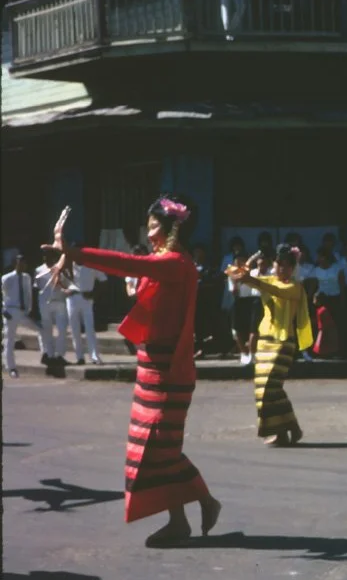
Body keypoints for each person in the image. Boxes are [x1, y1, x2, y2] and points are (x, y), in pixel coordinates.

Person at [42, 198, 221, 547]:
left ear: (172, 230)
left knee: (160, 447)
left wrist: (76, 252)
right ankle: (181, 519)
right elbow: (137, 275)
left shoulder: (175, 263)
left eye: (154, 226)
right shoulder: (162, 263)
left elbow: (127, 263)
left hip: (170, 369)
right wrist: (71, 257)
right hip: (150, 366)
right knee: (152, 448)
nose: (149, 233)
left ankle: (203, 502)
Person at [227, 244, 313, 447]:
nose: (282, 269)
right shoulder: (265, 280)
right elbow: (233, 273)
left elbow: (275, 289)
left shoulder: (295, 287)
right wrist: (246, 268)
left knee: (269, 388)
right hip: (265, 340)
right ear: (273, 264)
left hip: (284, 342)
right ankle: (282, 431)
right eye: (279, 264)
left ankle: (292, 426)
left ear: (293, 268)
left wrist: (252, 280)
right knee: (263, 389)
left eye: (286, 266)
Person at [2, 255, 41, 378]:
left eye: (23, 263)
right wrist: (3, 310)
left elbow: (28, 294)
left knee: (42, 329)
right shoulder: (6, 278)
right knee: (10, 339)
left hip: (23, 312)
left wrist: (29, 309)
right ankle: (11, 367)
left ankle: (47, 355)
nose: (21, 265)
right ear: (15, 264)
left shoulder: (26, 277)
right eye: (19, 263)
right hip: (10, 310)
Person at [65, 259, 107, 365]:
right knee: (75, 329)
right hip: (72, 297)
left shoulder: (91, 265)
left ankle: (94, 356)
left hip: (86, 298)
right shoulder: (67, 264)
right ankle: (80, 357)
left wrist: (94, 294)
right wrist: (64, 289)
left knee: (89, 328)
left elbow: (103, 280)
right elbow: (57, 277)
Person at [35, 249, 70, 368]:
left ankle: (59, 355)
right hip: (45, 303)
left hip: (59, 302)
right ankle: (48, 354)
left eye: (48, 256)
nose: (46, 258)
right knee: (46, 330)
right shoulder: (38, 270)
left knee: (62, 329)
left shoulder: (60, 268)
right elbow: (36, 288)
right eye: (44, 256)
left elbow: (66, 284)